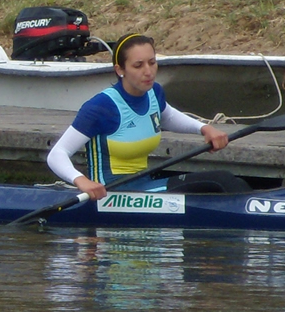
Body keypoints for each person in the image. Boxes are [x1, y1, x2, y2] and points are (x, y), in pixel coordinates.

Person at [47, 33, 250, 199]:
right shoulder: (101, 107)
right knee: (221, 181)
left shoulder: (154, 93)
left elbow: (167, 116)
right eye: (138, 65)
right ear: (120, 70)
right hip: (113, 193)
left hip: (146, 185)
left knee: (236, 183)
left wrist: (204, 128)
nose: (148, 72)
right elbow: (57, 154)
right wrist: (81, 180)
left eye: (152, 63)